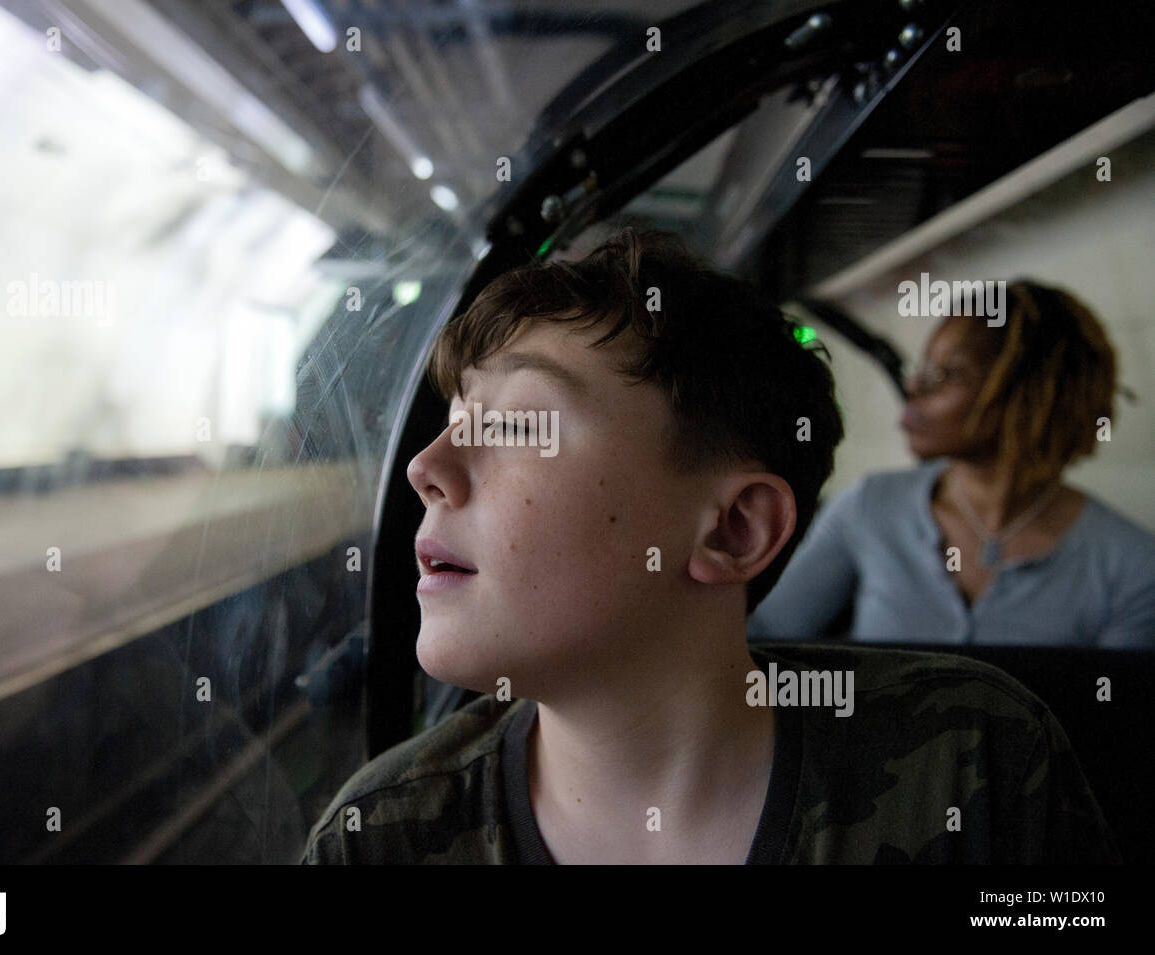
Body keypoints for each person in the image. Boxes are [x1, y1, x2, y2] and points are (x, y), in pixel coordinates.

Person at [302, 231, 1120, 863]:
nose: (425, 466)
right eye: (453, 420)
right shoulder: (376, 838)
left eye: (520, 421)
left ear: (735, 530)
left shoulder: (979, 763)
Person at [749, 281, 1155, 647]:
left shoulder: (1131, 567)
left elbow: (1116, 721)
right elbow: (765, 636)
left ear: (1028, 397)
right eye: (922, 368)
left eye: (946, 373)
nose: (913, 386)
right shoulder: (869, 505)